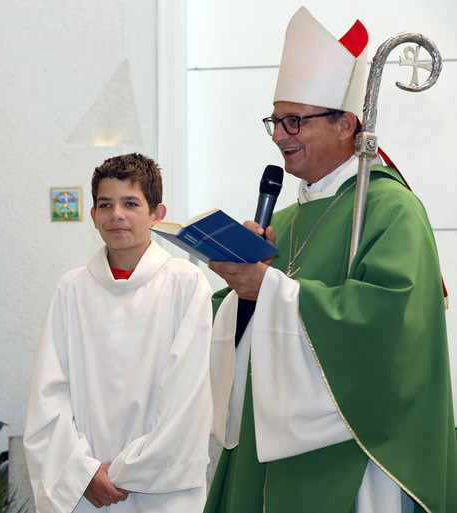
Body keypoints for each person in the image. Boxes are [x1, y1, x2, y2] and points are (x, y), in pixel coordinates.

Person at [204, 7, 456, 513]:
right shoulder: (293, 216)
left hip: (350, 453)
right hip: (269, 447)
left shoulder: (390, 208)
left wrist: (268, 290)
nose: (279, 134)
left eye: (294, 119)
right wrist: (243, 292)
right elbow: (251, 333)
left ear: (346, 124)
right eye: (275, 120)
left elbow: (389, 324)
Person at [24, 153, 214, 512]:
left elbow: (187, 398)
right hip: (87, 489)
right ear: (93, 215)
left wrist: (127, 471)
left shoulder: (186, 284)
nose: (117, 215)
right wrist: (83, 471)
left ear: (157, 213)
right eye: (105, 204)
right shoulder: (71, 289)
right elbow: (49, 395)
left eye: (131, 203)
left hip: (162, 490)